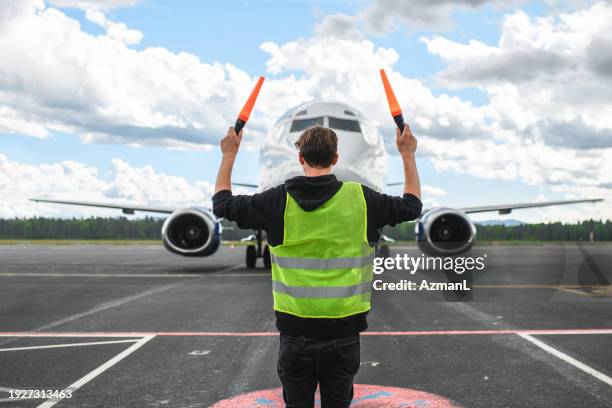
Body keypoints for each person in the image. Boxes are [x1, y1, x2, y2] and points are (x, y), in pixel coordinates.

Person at [213, 124, 422, 408]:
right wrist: (407, 154)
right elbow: (411, 207)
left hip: (295, 333)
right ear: (336, 158)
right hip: (344, 333)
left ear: (300, 158)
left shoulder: (277, 200)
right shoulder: (361, 199)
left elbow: (222, 205)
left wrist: (229, 154)